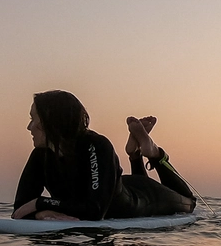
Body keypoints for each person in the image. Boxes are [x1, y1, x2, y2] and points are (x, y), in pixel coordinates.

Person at [12, 90, 196, 221]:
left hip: (146, 198)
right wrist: (40, 213)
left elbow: (95, 211)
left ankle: (154, 153)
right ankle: (135, 153)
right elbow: (19, 209)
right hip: (118, 186)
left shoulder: (96, 146)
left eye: (33, 119)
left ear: (51, 121)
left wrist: (40, 203)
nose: (29, 127)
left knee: (189, 203)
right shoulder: (40, 155)